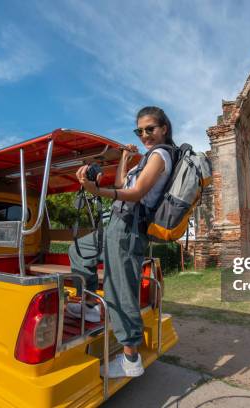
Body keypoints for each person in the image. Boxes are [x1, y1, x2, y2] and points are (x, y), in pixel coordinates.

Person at [66, 106, 174, 378]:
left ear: (164, 129)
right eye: (140, 131)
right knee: (78, 250)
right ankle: (90, 307)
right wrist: (126, 158)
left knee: (119, 288)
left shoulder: (160, 155)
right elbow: (123, 184)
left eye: (150, 129)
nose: (145, 135)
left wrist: (95, 190)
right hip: (116, 224)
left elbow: (136, 193)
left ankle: (131, 359)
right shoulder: (146, 158)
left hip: (128, 228)